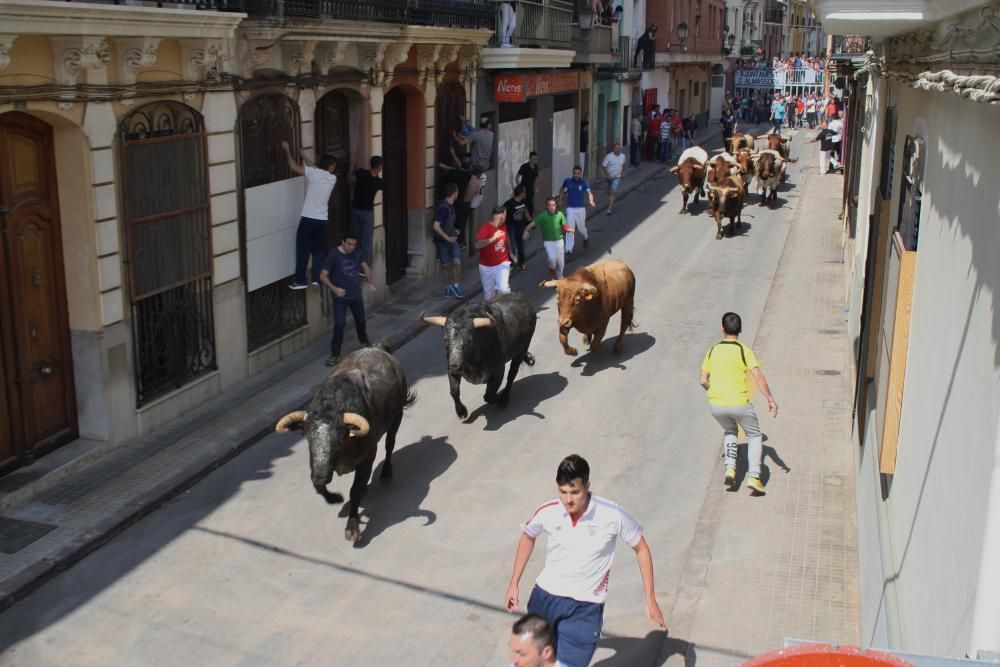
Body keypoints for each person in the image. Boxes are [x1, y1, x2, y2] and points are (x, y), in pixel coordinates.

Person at [504, 454, 666, 667]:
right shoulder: (548, 510)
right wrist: (514, 583)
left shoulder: (612, 514)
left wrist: (651, 598)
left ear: (587, 486)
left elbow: (641, 548)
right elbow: (528, 535)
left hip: (585, 609)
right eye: (563, 492)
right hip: (545, 598)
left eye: (575, 492)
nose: (568, 499)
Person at [699, 312, 778, 494]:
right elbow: (758, 376)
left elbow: (703, 380)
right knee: (754, 435)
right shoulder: (744, 350)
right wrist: (770, 399)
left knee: (730, 430)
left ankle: (730, 469)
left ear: (722, 328)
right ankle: (754, 477)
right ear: (740, 330)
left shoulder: (712, 350)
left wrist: (713, 391)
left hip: (716, 405)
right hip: (739, 403)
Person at [281, 140, 337, 290]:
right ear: (331, 167)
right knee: (318, 251)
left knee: (302, 250)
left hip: (308, 219)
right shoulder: (332, 179)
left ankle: (301, 281)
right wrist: (303, 155)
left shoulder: (314, 174)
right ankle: (316, 279)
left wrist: (287, 150)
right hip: (322, 221)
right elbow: (316, 168)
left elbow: (293, 167)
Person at [319, 233, 370, 366]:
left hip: (356, 295)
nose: (351, 247)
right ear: (342, 242)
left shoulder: (357, 252)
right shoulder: (333, 255)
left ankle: (364, 341)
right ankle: (335, 355)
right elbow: (323, 276)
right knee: (340, 324)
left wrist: (369, 282)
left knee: (361, 320)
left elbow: (365, 266)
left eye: (354, 244)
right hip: (340, 298)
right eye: (349, 244)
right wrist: (335, 289)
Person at [347, 155, 384, 267]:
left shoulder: (361, 173)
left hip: (355, 210)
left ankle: (354, 264)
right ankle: (364, 267)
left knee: (355, 239)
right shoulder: (378, 182)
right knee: (366, 241)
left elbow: (349, 180)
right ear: (380, 167)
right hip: (367, 213)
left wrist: (352, 165)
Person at [523, 196, 569, 279]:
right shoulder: (542, 216)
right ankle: (552, 269)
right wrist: (526, 230)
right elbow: (532, 224)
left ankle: (560, 275)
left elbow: (564, 225)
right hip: (549, 242)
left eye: (553, 205)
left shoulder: (560, 214)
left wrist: (569, 229)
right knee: (552, 260)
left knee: (561, 262)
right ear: (547, 206)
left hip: (559, 241)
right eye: (550, 205)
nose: (552, 207)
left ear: (556, 206)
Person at [432, 183, 463, 298]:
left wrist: (454, 230)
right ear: (455, 193)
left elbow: (445, 223)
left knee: (456, 262)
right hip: (443, 242)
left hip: (451, 240)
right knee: (445, 265)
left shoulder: (451, 206)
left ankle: (456, 284)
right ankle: (448, 286)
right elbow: (436, 226)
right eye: (458, 192)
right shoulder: (444, 208)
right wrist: (448, 238)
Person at [475, 205, 512, 300]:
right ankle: (491, 313)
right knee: (489, 296)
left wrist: (511, 252)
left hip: (502, 263)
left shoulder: (504, 226)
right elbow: (477, 245)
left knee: (503, 290)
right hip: (486, 267)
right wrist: (493, 238)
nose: (506, 218)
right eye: (505, 215)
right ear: (501, 216)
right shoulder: (485, 228)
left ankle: (507, 310)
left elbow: (506, 237)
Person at [559, 166, 595, 258]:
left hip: (581, 209)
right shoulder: (568, 181)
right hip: (570, 209)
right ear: (573, 173)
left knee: (581, 228)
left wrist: (591, 200)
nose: (576, 175)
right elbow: (562, 188)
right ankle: (568, 250)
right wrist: (560, 199)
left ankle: (586, 237)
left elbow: (589, 193)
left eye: (578, 173)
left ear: (581, 173)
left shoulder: (583, 183)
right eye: (575, 172)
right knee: (570, 229)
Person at [503, 185, 533, 271]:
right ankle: (511, 263)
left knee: (521, 245)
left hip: (521, 227)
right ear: (521, 193)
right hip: (511, 227)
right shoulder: (509, 203)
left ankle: (522, 263)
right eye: (524, 192)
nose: (525, 193)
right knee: (512, 245)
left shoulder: (523, 202)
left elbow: (525, 212)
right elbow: (503, 213)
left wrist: (530, 221)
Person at [601, 142, 626, 216]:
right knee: (610, 190)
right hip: (608, 177)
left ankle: (609, 208)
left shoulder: (623, 156)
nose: (618, 149)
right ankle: (609, 193)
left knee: (613, 191)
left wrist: (622, 173)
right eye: (616, 148)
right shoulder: (608, 156)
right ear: (613, 149)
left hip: (617, 177)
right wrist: (608, 176)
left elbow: (623, 164)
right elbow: (603, 166)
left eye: (619, 148)